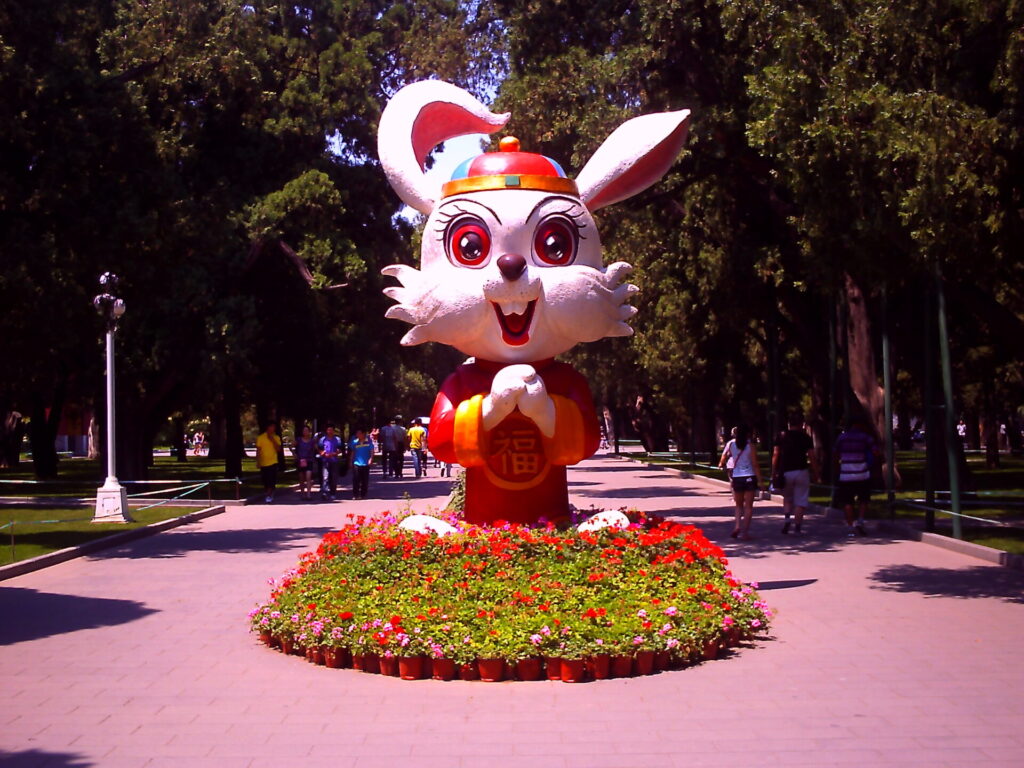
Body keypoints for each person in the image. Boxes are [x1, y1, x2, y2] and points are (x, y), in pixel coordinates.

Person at [773, 413, 818, 534]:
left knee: (787, 498)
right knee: (801, 500)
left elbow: (776, 454)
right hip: (801, 471)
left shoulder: (781, 436)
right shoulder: (805, 437)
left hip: (785, 471)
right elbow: (812, 456)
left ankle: (787, 519)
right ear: (801, 424)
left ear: (789, 423)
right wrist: (816, 472)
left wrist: (774, 471)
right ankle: (797, 526)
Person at [834, 416, 876, 537]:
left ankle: (850, 527)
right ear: (860, 424)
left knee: (847, 501)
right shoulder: (866, 437)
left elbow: (835, 453)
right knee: (863, 499)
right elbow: (875, 451)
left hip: (846, 475)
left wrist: (839, 465)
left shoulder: (842, 438)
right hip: (862, 474)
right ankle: (860, 521)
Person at [718, 424, 762, 539]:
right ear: (748, 434)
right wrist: (760, 481)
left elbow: (726, 456)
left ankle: (737, 526)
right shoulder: (750, 446)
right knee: (748, 506)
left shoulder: (732, 445)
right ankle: (745, 532)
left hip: (737, 477)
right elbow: (755, 464)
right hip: (749, 476)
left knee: (738, 505)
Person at [255, 421, 283, 503]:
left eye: (274, 427)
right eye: (271, 427)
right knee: (265, 480)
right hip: (264, 462)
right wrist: (258, 461)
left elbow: (278, 449)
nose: (273, 428)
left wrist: (272, 440)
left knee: (271, 479)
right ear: (268, 427)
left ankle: (269, 495)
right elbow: (258, 450)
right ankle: (269, 493)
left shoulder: (276, 437)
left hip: (273, 462)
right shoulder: (261, 437)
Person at [318, 424, 344, 500]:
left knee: (333, 477)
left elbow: (339, 450)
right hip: (325, 460)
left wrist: (333, 454)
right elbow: (319, 449)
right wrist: (322, 453)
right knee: (325, 477)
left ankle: (333, 493)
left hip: (334, 460)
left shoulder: (337, 439)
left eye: (331, 430)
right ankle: (325, 492)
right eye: (328, 430)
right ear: (326, 431)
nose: (330, 431)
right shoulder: (322, 439)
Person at [293, 424, 317, 501]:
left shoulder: (312, 441)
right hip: (300, 460)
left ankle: (308, 494)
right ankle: (302, 493)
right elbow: (291, 445)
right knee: (301, 478)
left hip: (309, 460)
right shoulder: (299, 440)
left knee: (308, 477)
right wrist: (294, 454)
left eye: (307, 430)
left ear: (309, 432)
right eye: (304, 431)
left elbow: (316, 448)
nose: (305, 432)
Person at [349, 428, 374, 499]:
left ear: (363, 434)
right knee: (356, 479)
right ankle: (355, 494)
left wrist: (371, 459)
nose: (358, 435)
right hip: (356, 463)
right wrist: (350, 461)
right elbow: (352, 452)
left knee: (364, 480)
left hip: (365, 463)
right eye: (357, 433)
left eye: (359, 433)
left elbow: (372, 451)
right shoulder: (354, 442)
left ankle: (363, 494)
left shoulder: (368, 442)